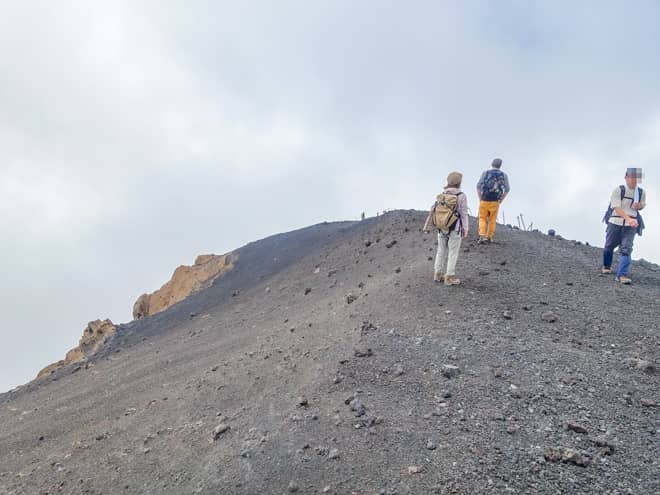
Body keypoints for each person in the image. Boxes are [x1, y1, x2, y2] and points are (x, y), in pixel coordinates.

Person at [423, 172, 469, 286]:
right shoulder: (461, 196)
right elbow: (463, 214)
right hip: (455, 228)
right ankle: (449, 277)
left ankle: (438, 274)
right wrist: (465, 228)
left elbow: (433, 210)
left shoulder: (442, 195)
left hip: (441, 227)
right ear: (459, 182)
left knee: (441, 251)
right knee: (453, 252)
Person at [602, 168, 647, 284]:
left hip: (631, 226)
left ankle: (622, 275)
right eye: (632, 177)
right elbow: (616, 207)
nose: (634, 180)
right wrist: (628, 219)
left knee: (626, 249)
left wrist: (639, 206)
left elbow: (642, 205)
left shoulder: (641, 192)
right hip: (615, 222)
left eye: (636, 178)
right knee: (609, 246)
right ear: (626, 177)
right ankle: (606, 266)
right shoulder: (618, 190)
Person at [476, 158, 510, 243]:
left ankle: (482, 236)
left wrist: (480, 198)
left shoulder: (485, 173)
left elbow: (478, 186)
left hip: (484, 199)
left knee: (482, 218)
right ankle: (489, 237)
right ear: (500, 165)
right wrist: (501, 199)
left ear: (492, 164)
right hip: (495, 201)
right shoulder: (504, 175)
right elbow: (507, 189)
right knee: (492, 219)